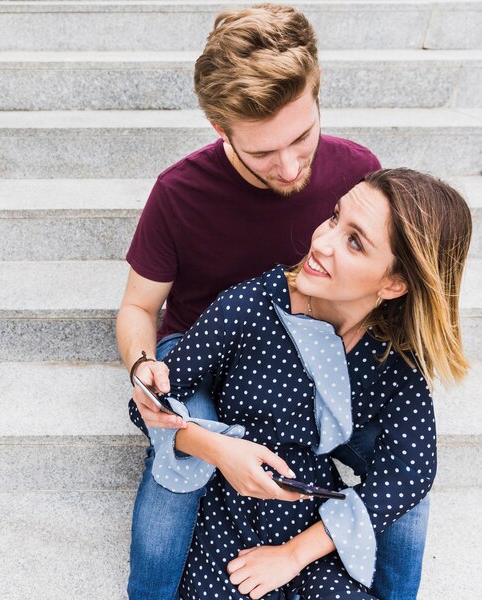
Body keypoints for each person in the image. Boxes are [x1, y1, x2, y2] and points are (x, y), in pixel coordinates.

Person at [117, 4, 427, 599]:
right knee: (177, 473)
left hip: (321, 346)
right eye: (262, 153)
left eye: (302, 137)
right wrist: (142, 366)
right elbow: (137, 308)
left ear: (317, 97)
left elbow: (385, 276)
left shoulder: (358, 171)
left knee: (406, 484)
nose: (289, 167)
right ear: (221, 129)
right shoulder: (179, 193)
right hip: (208, 347)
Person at [141, 168, 471, 598]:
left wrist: (294, 554)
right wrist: (219, 449)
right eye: (334, 218)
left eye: (354, 241)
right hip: (228, 519)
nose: (321, 243)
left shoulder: (391, 355)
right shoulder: (250, 306)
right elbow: (147, 404)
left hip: (312, 531)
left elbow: (409, 472)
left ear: (393, 284)